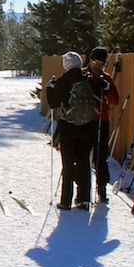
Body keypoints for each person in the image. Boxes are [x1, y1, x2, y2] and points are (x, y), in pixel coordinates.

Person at [46, 51, 95, 210]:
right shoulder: (88, 78)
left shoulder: (63, 81)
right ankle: (84, 198)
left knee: (68, 163)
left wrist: (50, 89)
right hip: (88, 125)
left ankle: (66, 200)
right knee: (84, 162)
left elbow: (54, 104)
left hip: (68, 127)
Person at [86, 47, 119, 203]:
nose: (97, 67)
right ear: (90, 60)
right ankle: (83, 192)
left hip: (101, 121)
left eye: (101, 64)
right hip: (84, 121)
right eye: (95, 63)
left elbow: (115, 101)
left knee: (100, 158)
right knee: (83, 157)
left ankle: (101, 190)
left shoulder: (105, 78)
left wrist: (108, 88)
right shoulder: (83, 75)